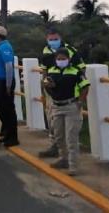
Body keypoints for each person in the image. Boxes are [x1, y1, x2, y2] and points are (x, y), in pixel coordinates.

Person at [39, 27, 85, 158]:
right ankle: (55, 147)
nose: (53, 41)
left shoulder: (71, 50)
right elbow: (44, 70)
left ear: (60, 38)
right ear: (47, 39)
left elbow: (82, 69)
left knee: (70, 126)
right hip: (52, 93)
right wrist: (44, 86)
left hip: (69, 94)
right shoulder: (46, 50)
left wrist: (80, 90)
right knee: (52, 120)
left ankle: (69, 158)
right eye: (51, 39)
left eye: (56, 39)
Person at [42, 48, 90, 175]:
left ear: (68, 59)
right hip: (57, 106)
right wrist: (49, 87)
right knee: (58, 135)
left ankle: (73, 166)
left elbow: (85, 87)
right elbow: (46, 84)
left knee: (71, 137)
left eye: (63, 58)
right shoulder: (52, 70)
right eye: (58, 58)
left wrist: (80, 102)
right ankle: (63, 159)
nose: (61, 61)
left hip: (71, 106)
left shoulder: (76, 71)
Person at [0, 25, 19, 147]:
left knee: (9, 110)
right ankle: (7, 134)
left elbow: (8, 66)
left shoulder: (5, 47)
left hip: (5, 82)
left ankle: (13, 138)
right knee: (3, 110)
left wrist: (8, 85)